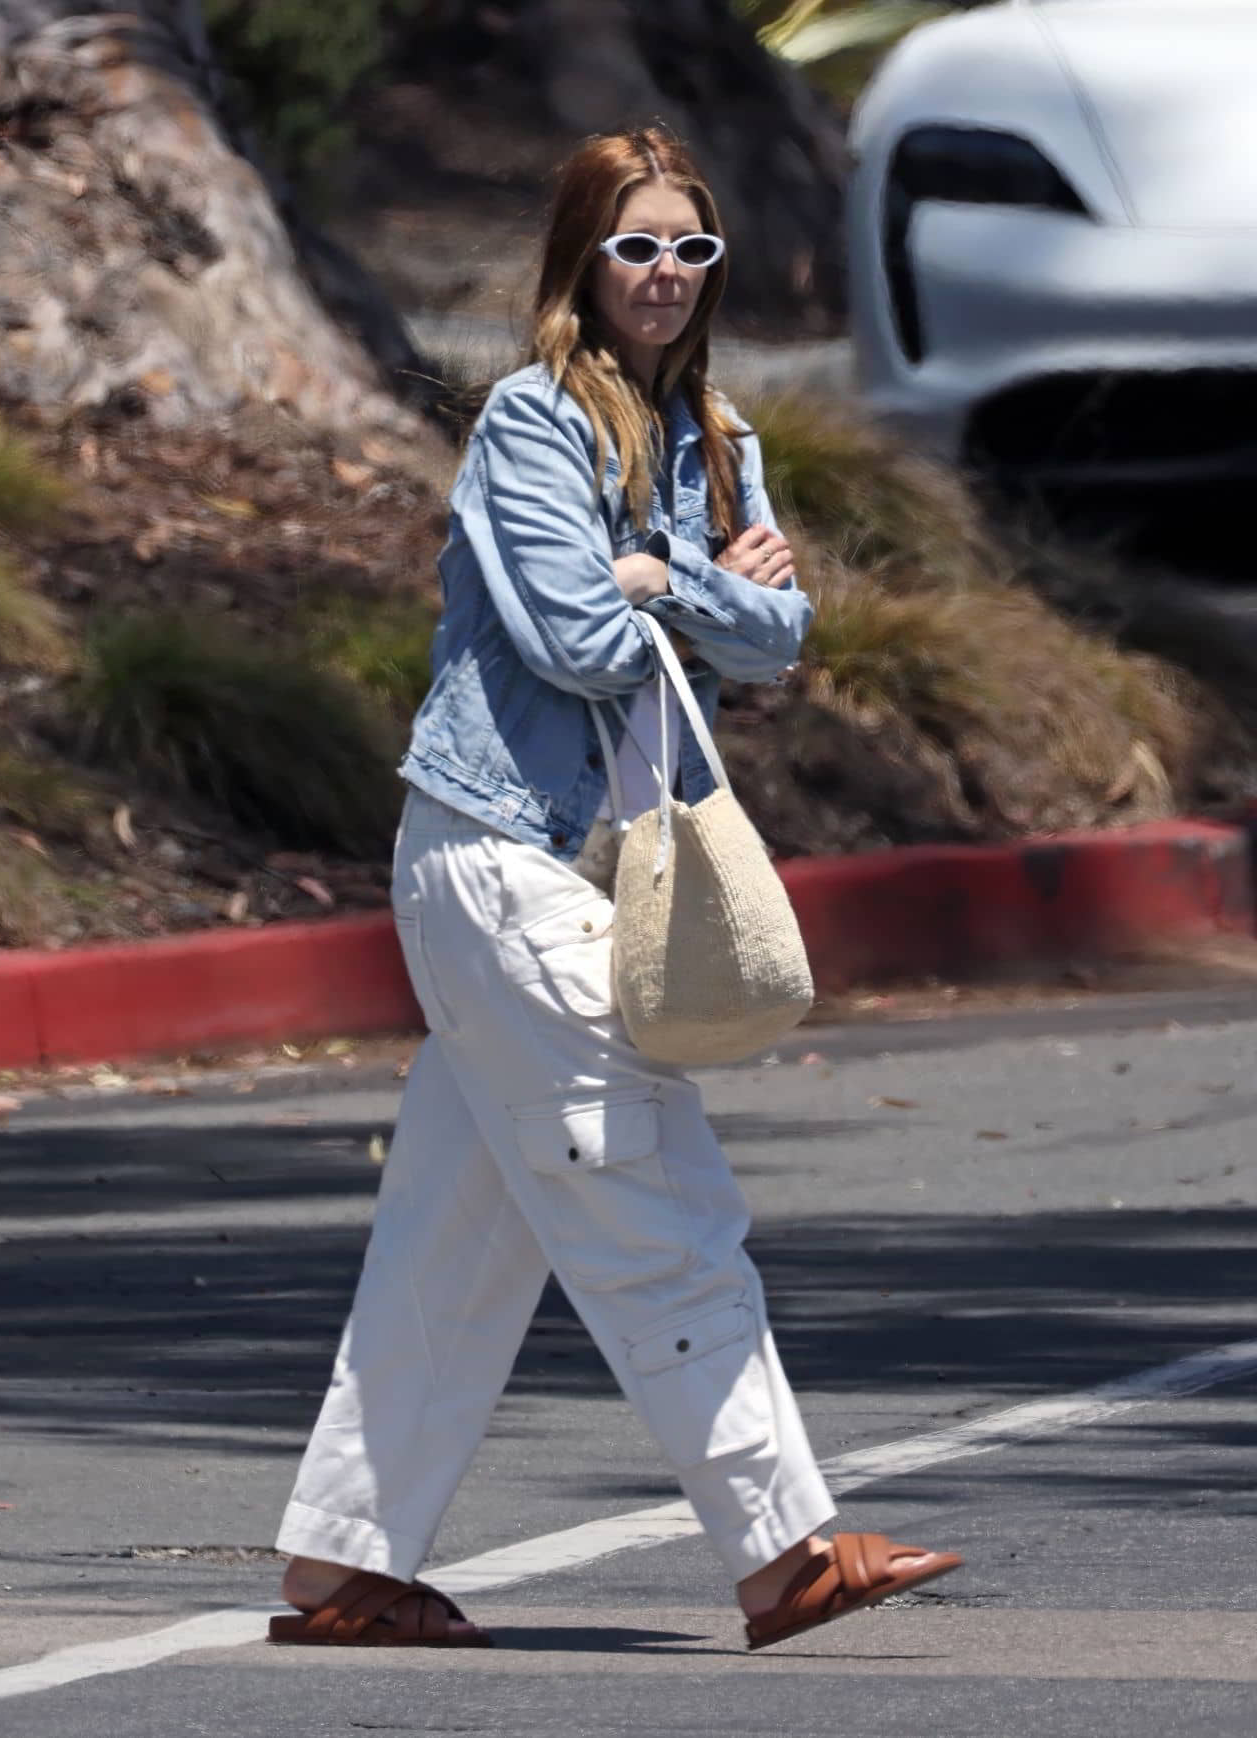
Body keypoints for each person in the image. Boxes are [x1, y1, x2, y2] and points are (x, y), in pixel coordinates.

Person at [269, 126, 961, 1653]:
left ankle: (341, 1566)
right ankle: (787, 1549)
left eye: (692, 249)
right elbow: (580, 642)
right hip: (502, 857)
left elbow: (783, 634)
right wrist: (689, 587)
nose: (665, 274)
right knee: (658, 1192)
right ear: (583, 259)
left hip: (582, 867)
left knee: (467, 1228)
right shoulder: (530, 425)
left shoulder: (714, 431)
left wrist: (673, 581)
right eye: (637, 244)